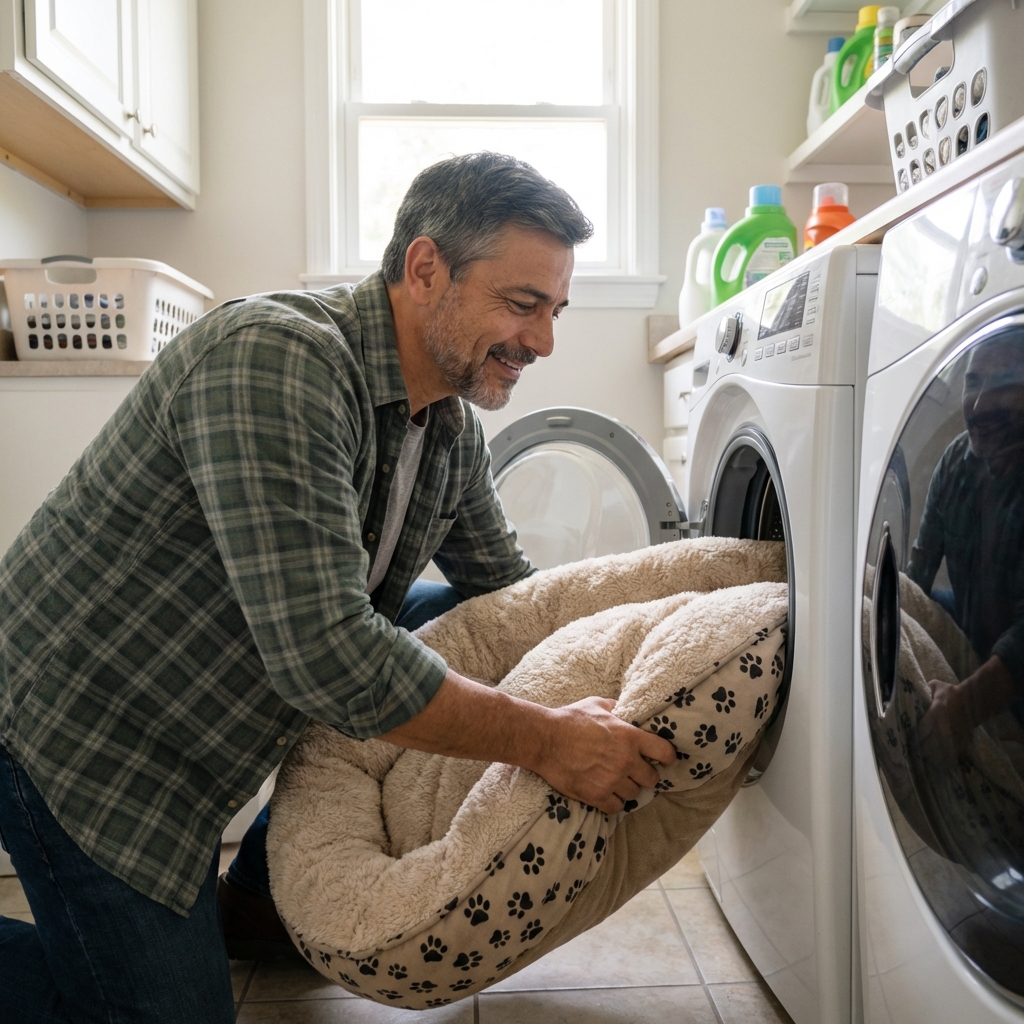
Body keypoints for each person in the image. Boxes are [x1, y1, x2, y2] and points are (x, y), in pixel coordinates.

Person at [0, 153, 677, 1023]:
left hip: (216, 701)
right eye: (521, 304)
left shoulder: (449, 430)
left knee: (452, 619)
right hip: (81, 736)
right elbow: (328, 659)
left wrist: (640, 657)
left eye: (554, 310)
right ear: (426, 269)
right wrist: (546, 741)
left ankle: (253, 902)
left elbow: (504, 605)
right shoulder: (277, 359)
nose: (543, 341)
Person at [908, 330, 1024, 761]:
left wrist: (966, 704)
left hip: (1011, 665)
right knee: (880, 596)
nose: (977, 407)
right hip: (970, 626)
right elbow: (918, 573)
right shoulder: (957, 460)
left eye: (1002, 385)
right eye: (973, 382)